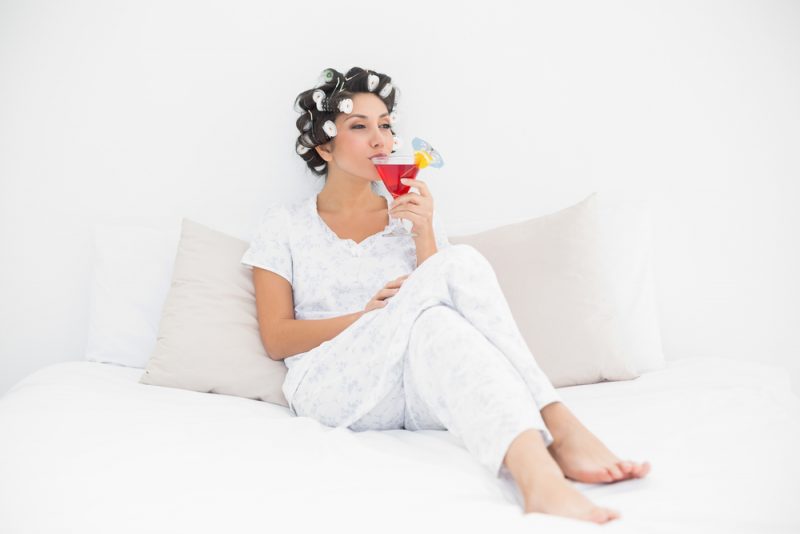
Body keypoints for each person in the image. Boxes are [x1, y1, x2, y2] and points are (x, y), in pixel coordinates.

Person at [240, 66, 651, 524]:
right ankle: (555, 416)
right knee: (460, 264)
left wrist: (423, 235)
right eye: (360, 127)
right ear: (325, 145)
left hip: (414, 392)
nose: (381, 139)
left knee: (441, 314)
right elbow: (276, 339)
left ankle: (541, 483)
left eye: (386, 125)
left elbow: (451, 311)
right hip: (331, 386)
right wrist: (367, 316)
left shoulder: (410, 214)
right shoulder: (285, 224)